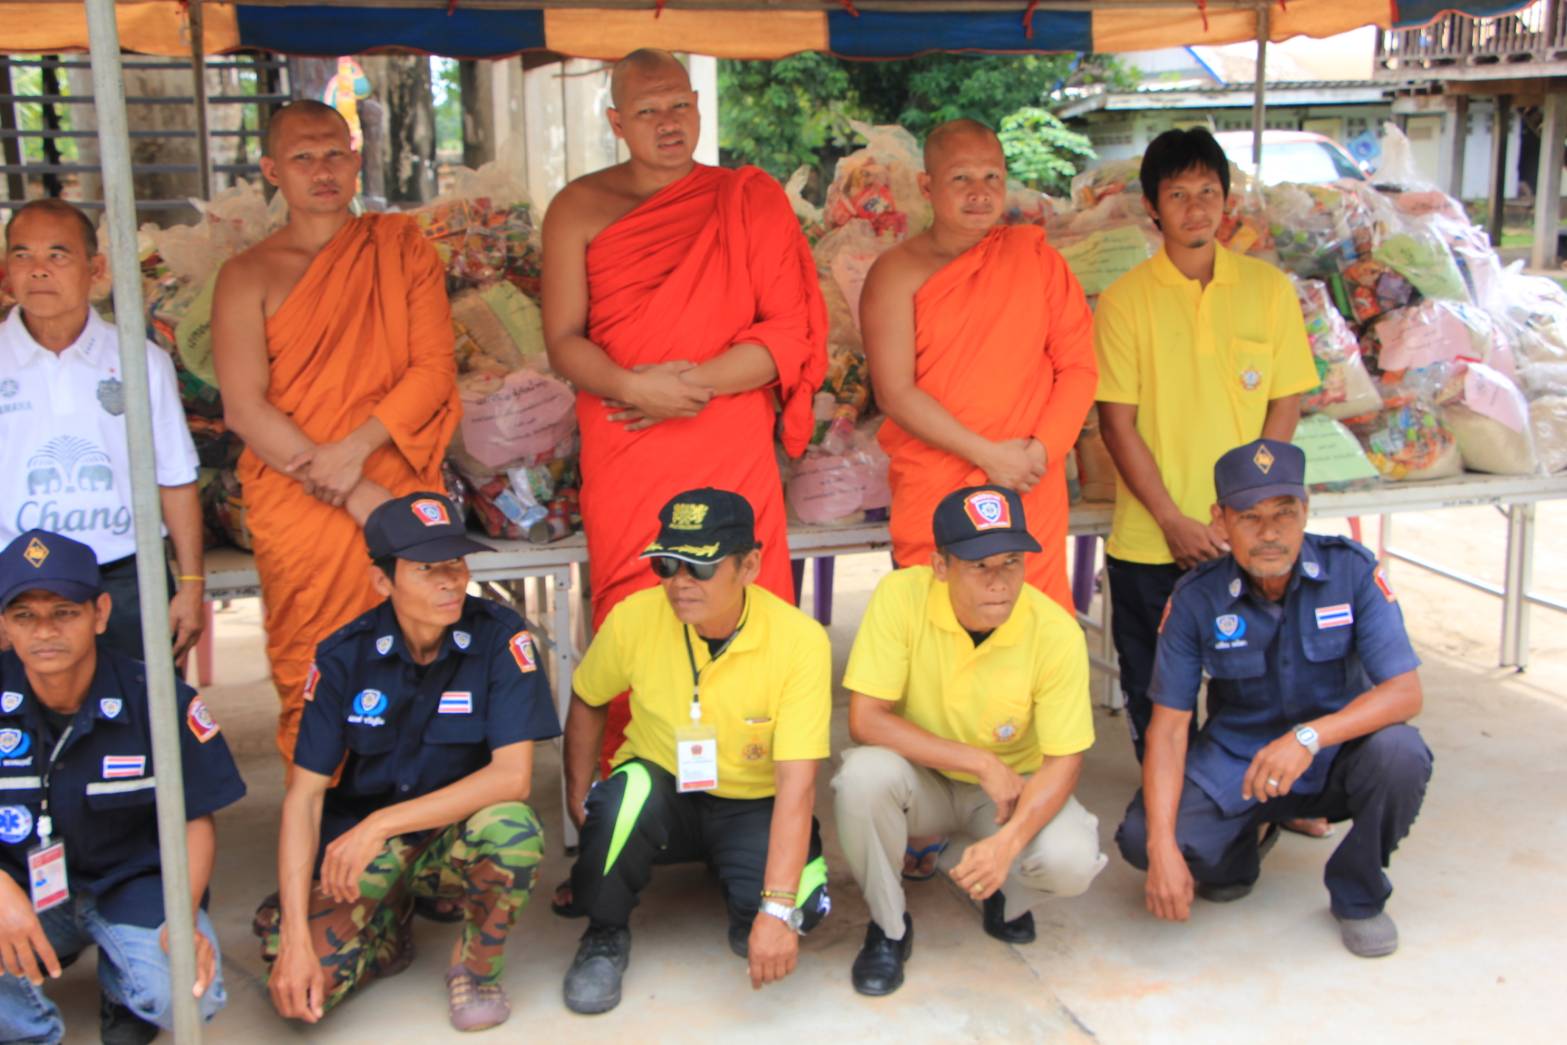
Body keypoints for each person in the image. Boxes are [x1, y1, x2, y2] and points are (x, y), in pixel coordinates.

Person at [542, 48, 826, 771]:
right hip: (628, 440)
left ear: (698, 107)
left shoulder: (748, 198)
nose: (668, 123)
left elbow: (787, 336)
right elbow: (562, 340)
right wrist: (632, 387)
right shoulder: (578, 206)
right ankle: (635, 785)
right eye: (647, 111)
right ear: (617, 122)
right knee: (636, 603)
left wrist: (684, 386)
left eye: (679, 104)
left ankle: (752, 787)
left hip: (725, 436)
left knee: (745, 599)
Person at [1115, 440, 1433, 958]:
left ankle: (1359, 894)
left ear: (1305, 510)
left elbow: (1404, 692)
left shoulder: (1351, 572)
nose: (1269, 533)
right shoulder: (1197, 597)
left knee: (1401, 753)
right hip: (1239, 764)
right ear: (1220, 520)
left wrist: (1308, 737)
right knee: (1143, 840)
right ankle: (1242, 849)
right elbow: (1169, 729)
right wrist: (1161, 846)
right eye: (1250, 517)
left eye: (1284, 514)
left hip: (1334, 756)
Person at [213, 100, 460, 762]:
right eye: (302, 157)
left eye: (334, 154)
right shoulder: (246, 274)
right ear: (272, 170)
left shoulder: (401, 248)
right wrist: (346, 485)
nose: (321, 171)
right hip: (300, 499)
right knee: (316, 668)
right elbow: (245, 407)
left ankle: (414, 811)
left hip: (391, 478)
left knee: (418, 656)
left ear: (356, 160)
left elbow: (433, 371)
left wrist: (354, 454)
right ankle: (323, 817)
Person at [256, 492, 559, 1032]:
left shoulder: (500, 638)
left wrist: (381, 823)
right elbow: (304, 798)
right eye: (426, 569)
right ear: (382, 581)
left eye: (456, 563)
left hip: (451, 839)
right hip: (366, 849)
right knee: (302, 989)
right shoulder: (344, 655)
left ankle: (475, 968)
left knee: (512, 831)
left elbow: (512, 778)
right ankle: (386, 934)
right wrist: (297, 939)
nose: (450, 581)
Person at [557, 488, 832, 1015]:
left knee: (796, 912)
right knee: (618, 806)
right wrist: (577, 795)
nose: (679, 582)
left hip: (751, 801)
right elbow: (589, 697)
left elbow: (797, 785)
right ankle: (604, 934)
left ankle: (751, 876)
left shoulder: (799, 641)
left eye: (700, 567)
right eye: (666, 564)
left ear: (749, 566)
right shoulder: (634, 618)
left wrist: (776, 911)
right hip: (665, 791)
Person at [1094, 127, 1319, 768]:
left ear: (1227, 199)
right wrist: (1172, 519)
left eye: (1207, 192)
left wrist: (1250, 512)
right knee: (1156, 694)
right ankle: (1173, 806)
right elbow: (1117, 424)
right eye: (1178, 194)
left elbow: (1284, 402)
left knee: (1258, 686)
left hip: (1249, 536)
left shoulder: (1268, 289)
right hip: (1151, 539)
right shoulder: (1124, 302)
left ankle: (1259, 796)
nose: (1195, 209)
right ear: (1152, 206)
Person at [832, 485, 1106, 996]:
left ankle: (1006, 894)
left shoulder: (1054, 630)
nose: (999, 581)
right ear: (940, 566)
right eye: (979, 566)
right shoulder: (901, 596)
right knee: (861, 778)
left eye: (1011, 562)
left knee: (1070, 860)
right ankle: (889, 928)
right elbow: (865, 720)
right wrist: (979, 761)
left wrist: (1010, 842)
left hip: (1006, 795)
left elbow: (1065, 760)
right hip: (924, 780)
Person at [0, 530, 245, 1044]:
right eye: (24, 616)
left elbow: (196, 819)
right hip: (22, 888)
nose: (45, 631)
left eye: (64, 612)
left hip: (132, 886)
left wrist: (184, 916)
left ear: (101, 613)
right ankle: (27, 1031)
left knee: (187, 994)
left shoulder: (156, 698)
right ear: (4, 625)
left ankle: (123, 987)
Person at [861, 120, 1097, 612]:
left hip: (1029, 482)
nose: (979, 192)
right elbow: (895, 392)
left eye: (992, 177)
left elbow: (1078, 368)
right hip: (939, 485)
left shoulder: (1037, 260)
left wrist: (1039, 452)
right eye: (961, 178)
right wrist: (988, 456)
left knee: (1033, 629)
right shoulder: (896, 272)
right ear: (927, 186)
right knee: (937, 628)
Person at [1, 198, 205, 666]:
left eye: (57, 255)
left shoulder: (140, 361)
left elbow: (175, 478)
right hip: (17, 582)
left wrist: (192, 585)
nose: (38, 270)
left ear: (95, 269)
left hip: (127, 577)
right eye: (22, 255)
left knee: (144, 705)